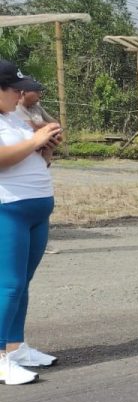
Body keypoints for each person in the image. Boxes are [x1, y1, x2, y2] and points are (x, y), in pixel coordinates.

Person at [0, 61, 63, 384]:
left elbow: (30, 157)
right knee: (8, 285)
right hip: (8, 209)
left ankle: (15, 347)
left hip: (35, 209)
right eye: (14, 89)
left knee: (22, 283)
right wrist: (35, 141)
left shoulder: (14, 117)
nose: (20, 94)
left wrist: (46, 150)